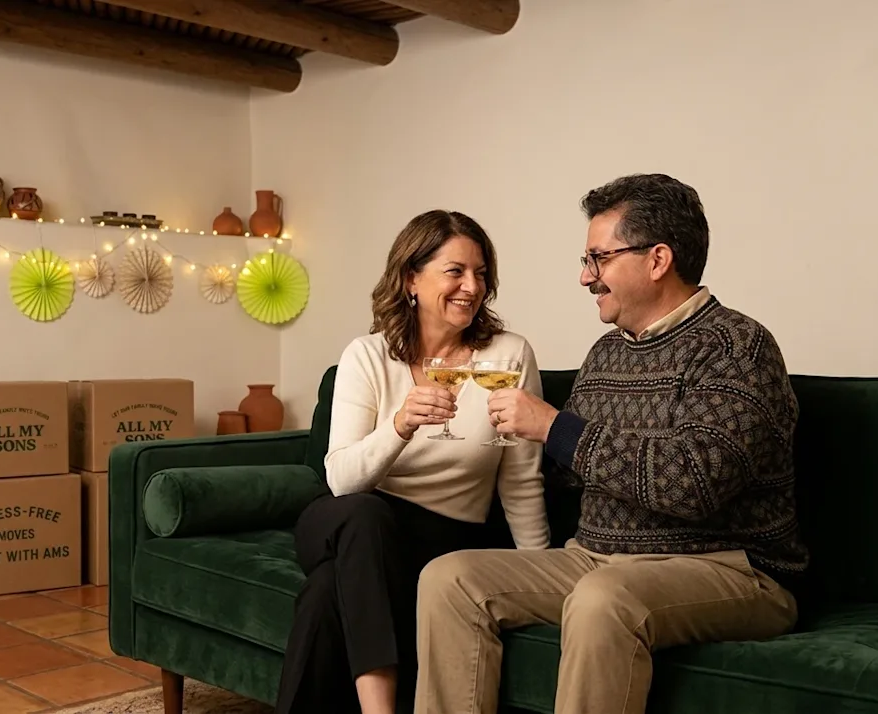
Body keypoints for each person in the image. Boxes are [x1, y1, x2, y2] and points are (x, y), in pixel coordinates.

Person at [413, 174, 810, 714]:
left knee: (604, 601)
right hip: (596, 558)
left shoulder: (737, 346)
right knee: (449, 577)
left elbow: (694, 483)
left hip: (731, 569)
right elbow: (578, 471)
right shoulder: (606, 354)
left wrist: (556, 429)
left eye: (598, 258)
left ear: (657, 259)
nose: (585, 277)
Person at [275, 209, 551, 714]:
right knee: (364, 514)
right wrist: (400, 425)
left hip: (443, 538)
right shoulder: (368, 356)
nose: (472, 286)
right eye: (456, 271)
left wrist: (543, 575)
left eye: (481, 273)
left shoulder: (507, 356)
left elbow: (520, 479)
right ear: (411, 279)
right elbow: (341, 479)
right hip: (348, 517)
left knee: (323, 596)